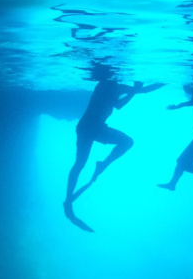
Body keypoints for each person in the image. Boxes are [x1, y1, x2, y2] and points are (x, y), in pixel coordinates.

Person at [64, 62, 164, 232]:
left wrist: (164, 82)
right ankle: (68, 200)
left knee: (125, 143)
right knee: (80, 163)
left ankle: (101, 165)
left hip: (95, 127)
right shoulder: (106, 85)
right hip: (89, 127)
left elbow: (142, 91)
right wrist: (133, 90)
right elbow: (118, 105)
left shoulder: (115, 86)